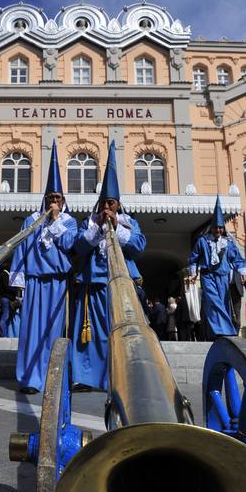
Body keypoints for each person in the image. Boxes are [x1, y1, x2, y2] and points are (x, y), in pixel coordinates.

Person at [71, 141, 146, 391]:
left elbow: (137, 246)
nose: (107, 208)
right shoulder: (88, 224)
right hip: (93, 287)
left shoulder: (130, 223)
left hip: (121, 287)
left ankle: (121, 376)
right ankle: (88, 377)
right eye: (104, 203)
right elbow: (79, 247)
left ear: (118, 205)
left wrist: (117, 228)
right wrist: (97, 231)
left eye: (111, 204)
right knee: (90, 333)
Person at [10, 140, 78, 393]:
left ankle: (53, 377)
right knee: (31, 331)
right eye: (50, 198)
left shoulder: (70, 223)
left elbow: (72, 244)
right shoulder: (31, 221)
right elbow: (21, 249)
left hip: (59, 282)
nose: (53, 202)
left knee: (54, 332)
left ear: (63, 200)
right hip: (35, 281)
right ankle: (29, 378)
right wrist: (19, 281)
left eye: (57, 198)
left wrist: (57, 221)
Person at [188, 197, 246, 339]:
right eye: (216, 227)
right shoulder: (203, 241)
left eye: (220, 227)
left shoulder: (228, 243)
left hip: (223, 277)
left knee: (223, 302)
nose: (218, 230)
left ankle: (218, 333)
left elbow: (237, 259)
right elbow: (193, 258)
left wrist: (242, 271)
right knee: (213, 301)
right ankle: (226, 330)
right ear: (212, 227)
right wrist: (193, 273)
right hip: (207, 276)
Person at [229, 265, 246, 333]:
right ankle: (229, 331)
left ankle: (236, 331)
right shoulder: (225, 264)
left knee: (237, 312)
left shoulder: (240, 265)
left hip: (237, 290)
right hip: (227, 290)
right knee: (228, 311)